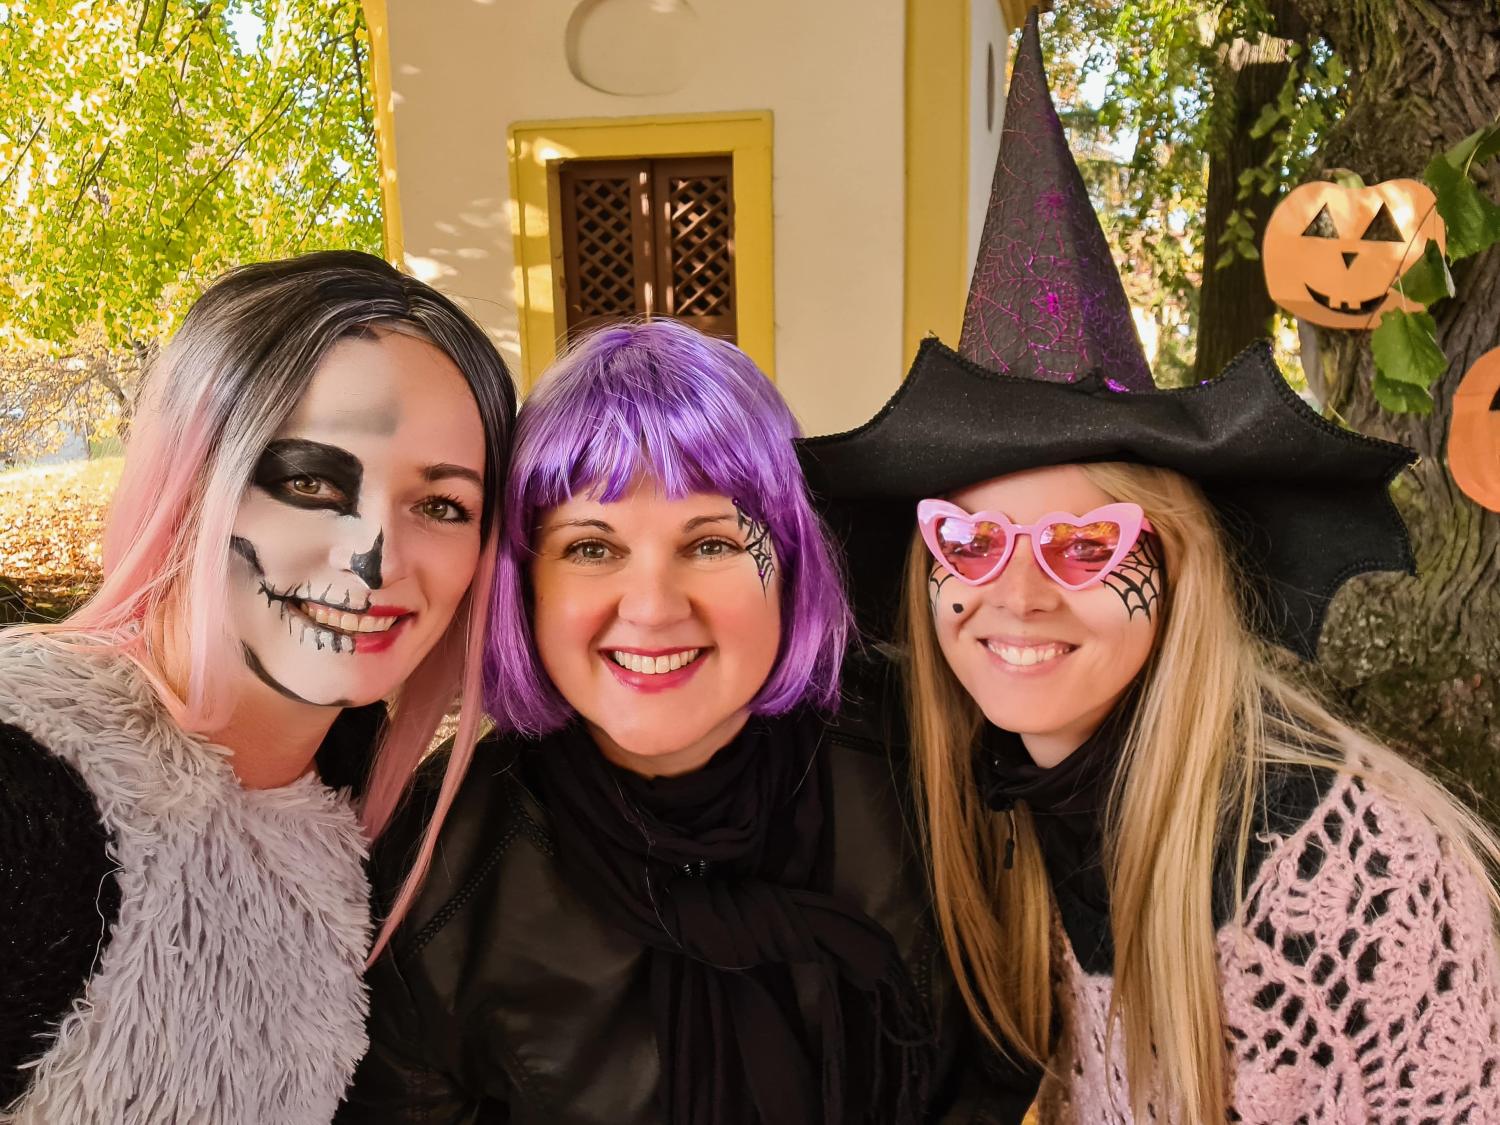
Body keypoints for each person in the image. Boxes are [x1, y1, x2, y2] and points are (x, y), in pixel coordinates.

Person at [800, 14, 1500, 1124]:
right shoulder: (1008, 811)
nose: (1016, 593)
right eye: (969, 541)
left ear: (1179, 568)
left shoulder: (1353, 882)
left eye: (1088, 544)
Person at [339, 319, 1035, 1124]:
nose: (652, 608)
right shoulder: (434, 875)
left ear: (791, 564)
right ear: (524, 586)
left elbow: (1004, 1058)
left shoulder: (936, 761)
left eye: (710, 544)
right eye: (591, 548)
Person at [0, 250, 517, 1125]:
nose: (375, 558)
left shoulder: (356, 789)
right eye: (309, 480)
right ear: (192, 478)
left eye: (441, 506)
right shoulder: (27, 789)